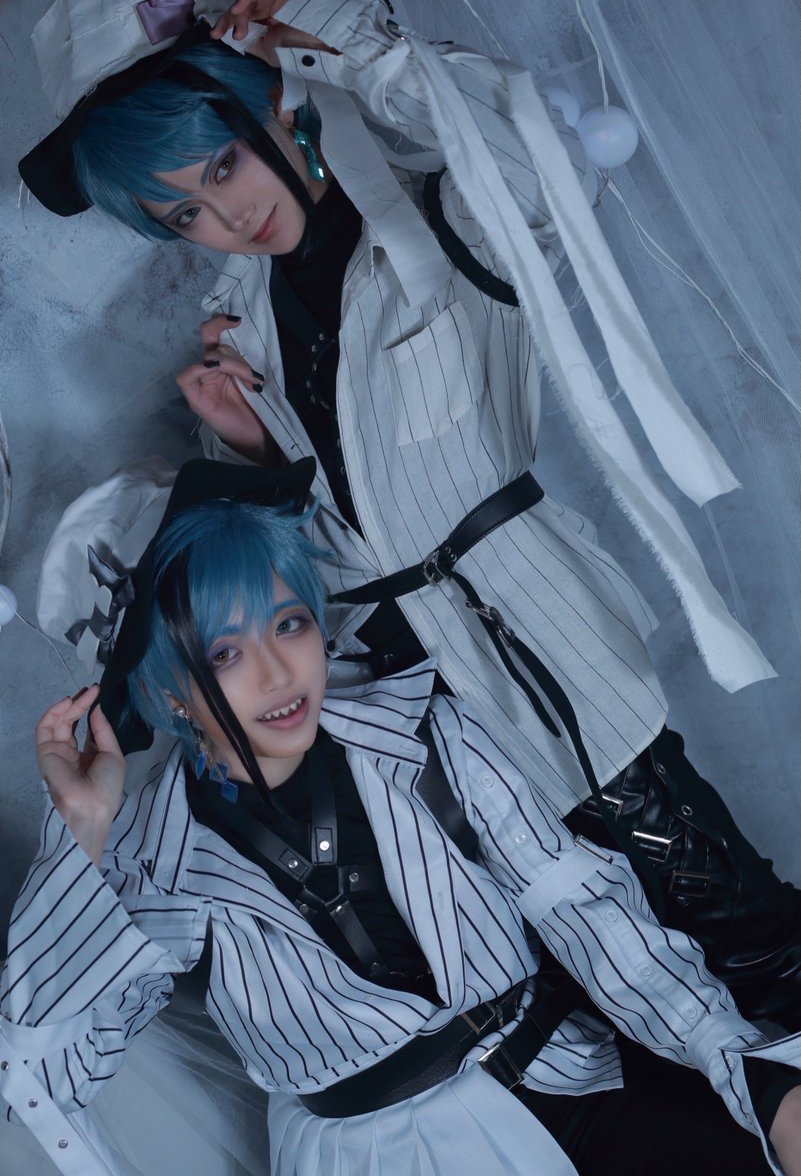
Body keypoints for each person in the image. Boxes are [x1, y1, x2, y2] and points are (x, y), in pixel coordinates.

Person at [18, 0, 801, 1028]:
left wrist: (346, 32)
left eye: (222, 164)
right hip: (386, 683)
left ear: (269, 100)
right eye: (185, 211)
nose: (228, 217)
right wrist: (249, 451)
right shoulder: (240, 323)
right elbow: (303, 558)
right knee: (566, 934)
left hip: (522, 620)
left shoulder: (431, 215)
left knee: (706, 891)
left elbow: (535, 166)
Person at [4, 454, 801, 1176]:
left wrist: (751, 1078)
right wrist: (80, 831)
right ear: (167, 689)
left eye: (289, 623)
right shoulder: (150, 867)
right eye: (224, 653)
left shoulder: (430, 735)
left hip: (574, 1076)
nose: (280, 672)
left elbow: (591, 919)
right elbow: (37, 1083)